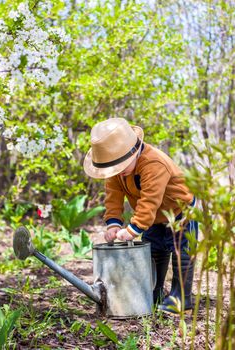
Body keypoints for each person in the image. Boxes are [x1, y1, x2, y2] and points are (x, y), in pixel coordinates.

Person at [83, 118, 198, 314]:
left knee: (181, 253)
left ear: (134, 153)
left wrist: (132, 229)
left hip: (179, 211)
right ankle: (155, 290)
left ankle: (181, 297)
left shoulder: (153, 163)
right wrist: (113, 224)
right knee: (153, 251)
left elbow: (150, 201)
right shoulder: (115, 170)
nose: (117, 173)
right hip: (153, 217)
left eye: (120, 168)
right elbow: (113, 197)